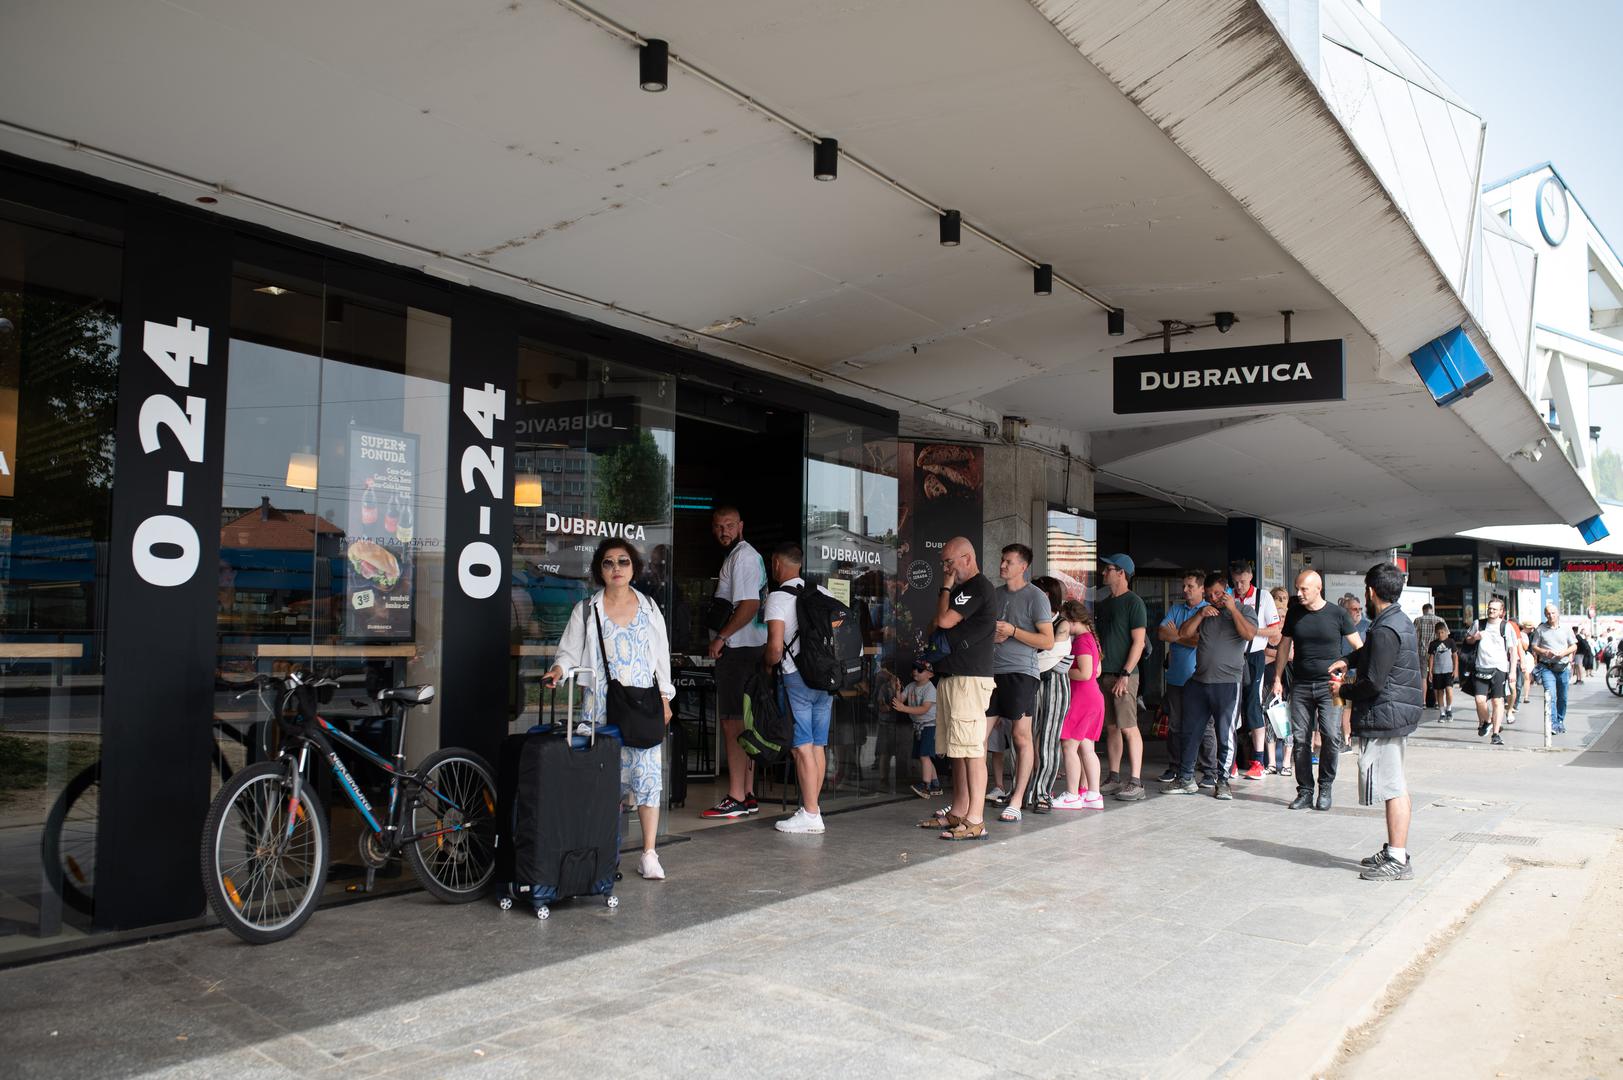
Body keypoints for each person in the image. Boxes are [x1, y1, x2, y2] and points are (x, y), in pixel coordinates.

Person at [546, 538, 675, 881]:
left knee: (647, 777)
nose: (616, 568)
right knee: (603, 782)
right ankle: (605, 853)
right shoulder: (587, 610)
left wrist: (665, 697)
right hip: (600, 707)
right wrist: (558, 672)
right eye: (608, 563)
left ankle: (649, 853)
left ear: (634, 567)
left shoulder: (648, 608)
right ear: (599, 570)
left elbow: (661, 658)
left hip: (642, 704)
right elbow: (568, 653)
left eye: (623, 562)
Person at [1330, 563, 1424, 881]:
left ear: (1370, 591)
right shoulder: (1394, 619)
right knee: (1393, 785)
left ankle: (1397, 859)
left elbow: (1373, 682)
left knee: (1393, 788)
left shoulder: (1385, 627)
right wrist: (1347, 659)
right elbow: (1371, 653)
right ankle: (1394, 851)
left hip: (1386, 714)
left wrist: (1343, 689)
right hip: (1394, 713)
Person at [918, 537, 997, 841]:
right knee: (957, 750)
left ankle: (976, 819)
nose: (945, 568)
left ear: (967, 558)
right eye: (943, 563)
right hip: (951, 675)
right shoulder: (961, 590)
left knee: (972, 749)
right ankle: (960, 811)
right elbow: (935, 626)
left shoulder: (978, 587)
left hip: (969, 677)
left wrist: (945, 586)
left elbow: (943, 620)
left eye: (949, 562)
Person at [762, 543, 837, 834]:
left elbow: (774, 647)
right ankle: (811, 807)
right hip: (824, 680)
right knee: (817, 745)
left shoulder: (778, 597)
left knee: (801, 747)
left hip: (795, 679)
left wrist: (767, 667)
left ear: (778, 565)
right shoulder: (823, 593)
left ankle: (810, 813)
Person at [700, 506, 768, 819]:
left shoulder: (743, 556)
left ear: (740, 525)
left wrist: (721, 637)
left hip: (740, 651)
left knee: (732, 723)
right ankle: (748, 793)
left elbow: (750, 604)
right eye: (718, 526)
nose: (723, 531)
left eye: (728, 525)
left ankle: (736, 796)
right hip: (749, 651)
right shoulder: (741, 556)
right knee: (744, 721)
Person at [1272, 570, 1361, 811]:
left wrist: (1346, 667)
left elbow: (1358, 647)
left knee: (1332, 736)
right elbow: (1284, 646)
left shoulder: (1338, 614)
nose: (1298, 594)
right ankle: (1305, 791)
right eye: (1297, 588)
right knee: (1300, 739)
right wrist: (1277, 678)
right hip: (1300, 685)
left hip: (1332, 687)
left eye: (1304, 589)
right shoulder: (1295, 614)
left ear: (1318, 588)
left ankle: (1326, 788)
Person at [1165, 572, 1258, 800]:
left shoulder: (1245, 611)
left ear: (1227, 591)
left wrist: (1233, 609)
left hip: (1227, 683)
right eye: (1210, 594)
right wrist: (1199, 614)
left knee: (1225, 733)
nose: (1214, 598)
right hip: (1199, 681)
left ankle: (1223, 781)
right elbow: (1183, 633)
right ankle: (1186, 778)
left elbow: (1249, 634)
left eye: (1218, 593)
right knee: (1190, 730)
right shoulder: (1206, 612)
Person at [987, 544, 1055, 821]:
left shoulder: (1036, 597)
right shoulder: (995, 594)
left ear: (1023, 567)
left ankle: (1016, 800)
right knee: (977, 738)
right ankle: (973, 798)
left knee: (1020, 736)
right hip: (991, 672)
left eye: (1009, 561)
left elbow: (1047, 641)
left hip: (1021, 673)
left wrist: (1014, 631)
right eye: (1002, 560)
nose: (1003, 565)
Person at [1095, 553, 1149, 802]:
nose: (1104, 572)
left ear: (1121, 573)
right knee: (1112, 727)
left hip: (1124, 675)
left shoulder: (1134, 602)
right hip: (1104, 674)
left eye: (1109, 569)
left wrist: (1126, 673)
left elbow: (1138, 642)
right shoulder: (1104, 603)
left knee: (1128, 726)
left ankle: (1136, 781)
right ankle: (1114, 776)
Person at [1157, 570, 1217, 786]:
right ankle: (1175, 767)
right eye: (1184, 586)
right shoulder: (1176, 608)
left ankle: (1210, 771)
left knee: (1205, 725)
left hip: (1199, 677)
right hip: (1175, 677)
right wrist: (1184, 636)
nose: (1185, 590)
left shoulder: (1209, 611)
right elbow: (1162, 633)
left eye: (1190, 586)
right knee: (1175, 724)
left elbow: (1202, 642)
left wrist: (1178, 636)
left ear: (1202, 588)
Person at [1230, 560, 1282, 780]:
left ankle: (1258, 761)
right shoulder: (1229, 596)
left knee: (1253, 706)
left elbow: (1275, 631)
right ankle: (1229, 761)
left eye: (1242, 581)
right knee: (1229, 707)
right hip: (1230, 657)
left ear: (1250, 576)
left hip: (1254, 657)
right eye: (1235, 582)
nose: (1239, 586)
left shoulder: (1264, 597)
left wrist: (1251, 631)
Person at [1026, 575, 1072, 813]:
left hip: (1054, 683)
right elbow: (1047, 656)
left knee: (1048, 740)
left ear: (1048, 596)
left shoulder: (1062, 623)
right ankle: (1023, 789)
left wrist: (1027, 656)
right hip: (1029, 681)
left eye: (1037, 591)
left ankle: (1043, 792)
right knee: (1022, 738)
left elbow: (1052, 654)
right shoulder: (1028, 620)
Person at [1054, 601, 1105, 809]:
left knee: (1069, 746)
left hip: (1082, 699)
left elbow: (1085, 673)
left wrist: (1061, 669)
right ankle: (1093, 794)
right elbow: (1096, 672)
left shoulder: (1081, 641)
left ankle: (1072, 795)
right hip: (1093, 698)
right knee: (1087, 748)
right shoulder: (1091, 639)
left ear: (1073, 621)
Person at [1464, 596, 1518, 747]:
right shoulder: (1478, 624)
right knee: (1479, 700)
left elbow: (1513, 651)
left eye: (1495, 609)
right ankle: (1487, 721)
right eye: (1489, 608)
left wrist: (1512, 671)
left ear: (1502, 611)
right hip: (1481, 666)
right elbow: (1467, 640)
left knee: (1497, 701)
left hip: (1499, 668)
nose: (1491, 611)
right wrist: (1474, 637)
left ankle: (1495, 734)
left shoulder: (1506, 626)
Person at [893, 659, 941, 799]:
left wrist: (904, 709)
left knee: (924, 755)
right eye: (914, 668)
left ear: (930, 674)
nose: (915, 671)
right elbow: (900, 700)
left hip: (929, 726)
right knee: (924, 756)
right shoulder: (911, 686)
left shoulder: (930, 689)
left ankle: (926, 786)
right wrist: (897, 690)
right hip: (919, 727)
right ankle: (935, 784)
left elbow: (924, 709)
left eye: (920, 670)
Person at [1528, 603, 1575, 734]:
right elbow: (1534, 646)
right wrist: (1544, 652)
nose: (1551, 615)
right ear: (1545, 614)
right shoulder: (1541, 629)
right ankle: (1553, 724)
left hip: (1563, 667)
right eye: (1548, 613)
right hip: (1547, 667)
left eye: (1553, 613)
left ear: (1558, 613)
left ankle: (1560, 720)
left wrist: (1563, 654)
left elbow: (1574, 646)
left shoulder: (1566, 628)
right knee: (1551, 695)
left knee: (1563, 697)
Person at [1265, 585, 1292, 773]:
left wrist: (1272, 653)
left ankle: (1287, 763)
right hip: (1268, 680)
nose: (1281, 621)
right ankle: (1272, 763)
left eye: (1283, 618)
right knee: (1268, 719)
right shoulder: (1268, 635)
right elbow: (1261, 655)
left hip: (1289, 681)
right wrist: (1279, 654)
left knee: (1287, 719)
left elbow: (1292, 655)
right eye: (1278, 617)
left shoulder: (1291, 636)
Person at [1413, 604, 1447, 709]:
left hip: (1422, 652)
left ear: (1423, 610)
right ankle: (1437, 702)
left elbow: (1413, 636)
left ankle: (1423, 702)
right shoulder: (1440, 620)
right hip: (1437, 652)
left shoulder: (1418, 620)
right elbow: (1447, 635)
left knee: (1423, 678)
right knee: (1436, 677)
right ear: (1432, 610)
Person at [1424, 624, 1457, 722]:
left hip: (1448, 671)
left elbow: (1455, 656)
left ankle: (1449, 709)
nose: (1441, 635)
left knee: (1449, 690)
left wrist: (1455, 669)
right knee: (1439, 691)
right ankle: (1442, 713)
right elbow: (1431, 658)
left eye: (1442, 632)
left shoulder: (1451, 642)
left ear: (1446, 632)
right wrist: (1430, 671)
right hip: (1437, 671)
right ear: (1435, 633)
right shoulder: (1433, 644)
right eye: (1438, 633)